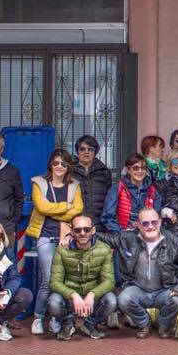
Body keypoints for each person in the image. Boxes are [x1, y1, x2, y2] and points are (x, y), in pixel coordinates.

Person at [95, 208, 178, 339]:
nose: (150, 226)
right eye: (146, 223)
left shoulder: (172, 240)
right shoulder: (127, 238)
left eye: (154, 222)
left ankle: (163, 324)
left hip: (163, 290)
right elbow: (105, 239)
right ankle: (144, 323)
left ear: (159, 222)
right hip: (138, 289)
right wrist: (78, 233)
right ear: (138, 225)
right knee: (123, 299)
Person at [27, 148, 83, 336]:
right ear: (50, 164)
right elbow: (41, 207)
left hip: (66, 237)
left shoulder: (74, 185)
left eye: (64, 164)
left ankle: (56, 317)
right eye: (56, 163)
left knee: (64, 279)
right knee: (49, 279)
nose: (60, 166)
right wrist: (64, 207)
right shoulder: (39, 182)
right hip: (45, 236)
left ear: (69, 167)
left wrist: (56, 211)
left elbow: (78, 209)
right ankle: (37, 317)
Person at [48, 215, 117, 340]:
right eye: (78, 230)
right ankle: (68, 324)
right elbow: (54, 282)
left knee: (111, 300)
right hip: (70, 296)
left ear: (93, 230)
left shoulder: (104, 249)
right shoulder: (62, 250)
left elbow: (109, 281)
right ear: (72, 231)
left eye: (86, 229)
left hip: (92, 297)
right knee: (53, 302)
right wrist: (73, 294)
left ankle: (90, 325)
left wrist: (93, 294)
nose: (82, 233)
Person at [101, 153, 163, 232]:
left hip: (146, 234)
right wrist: (122, 235)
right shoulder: (116, 189)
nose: (140, 171)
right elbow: (108, 217)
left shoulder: (152, 190)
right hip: (123, 236)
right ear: (128, 170)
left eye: (143, 168)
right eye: (136, 168)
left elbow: (156, 216)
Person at [71, 135, 112, 228]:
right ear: (77, 152)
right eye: (82, 149)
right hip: (76, 223)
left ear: (95, 152)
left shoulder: (104, 171)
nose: (86, 152)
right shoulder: (69, 171)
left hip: (99, 224)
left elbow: (109, 199)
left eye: (90, 149)